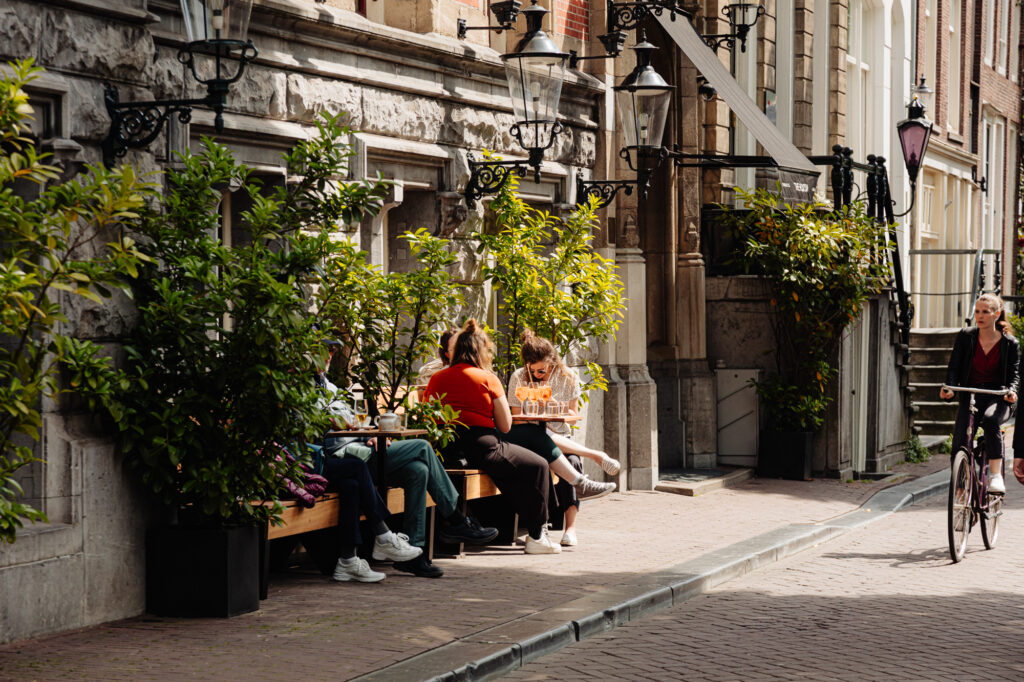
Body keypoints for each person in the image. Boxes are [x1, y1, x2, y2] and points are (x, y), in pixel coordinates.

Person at [424, 320, 614, 554]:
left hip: (448, 448)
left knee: (534, 436)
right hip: (484, 446)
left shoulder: (436, 378)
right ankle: (537, 535)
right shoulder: (486, 378)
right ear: (480, 351)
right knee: (538, 465)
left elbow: (428, 417)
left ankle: (577, 483)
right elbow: (505, 425)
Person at [318, 339, 498, 579]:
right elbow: (321, 432)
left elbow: (354, 422)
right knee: (422, 446)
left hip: (363, 449)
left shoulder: (330, 388)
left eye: (332, 351)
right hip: (343, 458)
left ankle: (415, 555)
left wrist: (368, 438)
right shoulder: (305, 393)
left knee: (418, 471)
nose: (330, 355)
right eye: (324, 350)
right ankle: (456, 519)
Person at [504, 330, 619, 547]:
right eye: (535, 370)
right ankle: (595, 456)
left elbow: (573, 418)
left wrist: (554, 408)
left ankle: (570, 528)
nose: (540, 374)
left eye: (544, 369)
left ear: (552, 362)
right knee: (541, 457)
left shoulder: (567, 378)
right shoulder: (519, 377)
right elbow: (517, 419)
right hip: (530, 439)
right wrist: (535, 412)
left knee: (573, 462)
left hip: (560, 435)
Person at [941, 294, 1019, 494]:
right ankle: (960, 490)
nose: (980, 316)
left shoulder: (1010, 343)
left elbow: (1014, 375)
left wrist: (1012, 391)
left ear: (996, 314)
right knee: (960, 440)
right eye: (977, 311)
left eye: (985, 311)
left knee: (991, 420)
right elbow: (954, 368)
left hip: (998, 396)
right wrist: (949, 387)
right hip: (971, 393)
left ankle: (995, 475)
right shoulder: (966, 336)